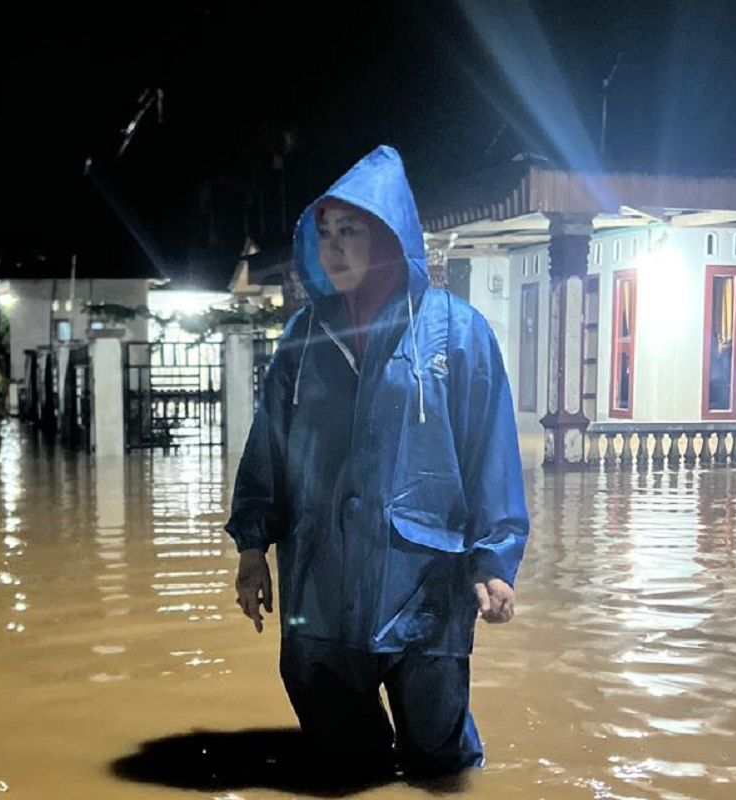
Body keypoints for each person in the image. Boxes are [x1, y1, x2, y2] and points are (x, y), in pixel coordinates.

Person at [225, 145, 529, 777]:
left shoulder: (457, 334)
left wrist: (495, 561)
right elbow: (269, 448)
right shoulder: (301, 340)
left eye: (351, 231)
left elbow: (489, 453)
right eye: (326, 233)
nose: (333, 248)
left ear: (389, 235)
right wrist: (252, 549)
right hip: (320, 587)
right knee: (344, 763)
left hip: (425, 588)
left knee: (439, 760)